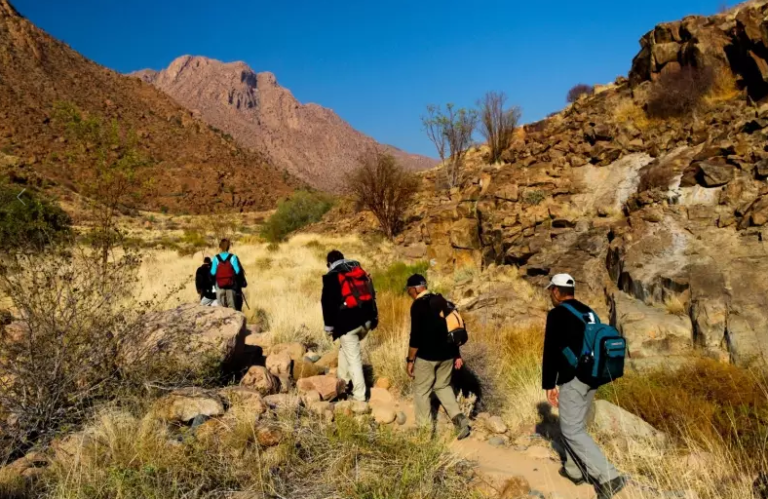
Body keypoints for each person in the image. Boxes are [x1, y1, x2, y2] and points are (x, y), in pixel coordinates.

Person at [542, 273, 628, 499]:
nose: (551, 294)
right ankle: (574, 470)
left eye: (552, 290)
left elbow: (550, 351)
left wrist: (549, 384)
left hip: (574, 378)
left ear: (557, 292)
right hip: (594, 375)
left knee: (571, 429)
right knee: (576, 425)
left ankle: (609, 477)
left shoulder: (556, 314)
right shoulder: (588, 311)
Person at [405, 274, 470, 440]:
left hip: (427, 356)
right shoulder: (442, 300)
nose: (409, 294)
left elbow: (416, 336)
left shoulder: (418, 305)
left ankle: (424, 432)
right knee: (442, 386)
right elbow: (452, 329)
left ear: (415, 288)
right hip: (447, 355)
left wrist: (410, 360)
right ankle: (459, 419)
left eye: (409, 290)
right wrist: (456, 354)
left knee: (422, 391)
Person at [321, 250, 378, 402]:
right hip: (366, 321)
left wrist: (329, 328)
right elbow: (372, 293)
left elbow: (327, 304)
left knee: (354, 359)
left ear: (329, 263)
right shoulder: (357, 270)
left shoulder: (332, 276)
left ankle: (360, 397)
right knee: (345, 348)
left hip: (348, 325)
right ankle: (343, 380)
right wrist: (374, 317)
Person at [211, 239, 242, 310]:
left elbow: (213, 272)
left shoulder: (216, 258)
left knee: (221, 307)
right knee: (232, 306)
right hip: (230, 284)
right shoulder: (233, 257)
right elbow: (237, 271)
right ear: (228, 247)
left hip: (219, 284)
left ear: (220, 247)